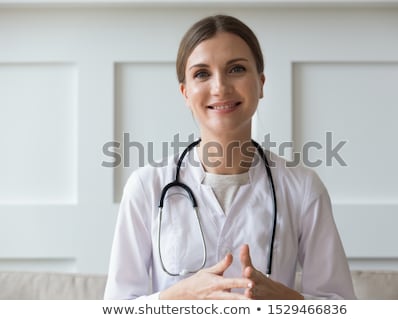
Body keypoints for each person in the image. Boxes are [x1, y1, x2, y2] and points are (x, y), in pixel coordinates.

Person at [104, 14, 356, 300]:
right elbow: (115, 308)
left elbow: (341, 306)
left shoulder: (303, 188)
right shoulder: (146, 186)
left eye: (236, 69)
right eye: (202, 73)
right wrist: (173, 299)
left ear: (261, 84)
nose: (220, 87)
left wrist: (288, 302)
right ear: (185, 93)